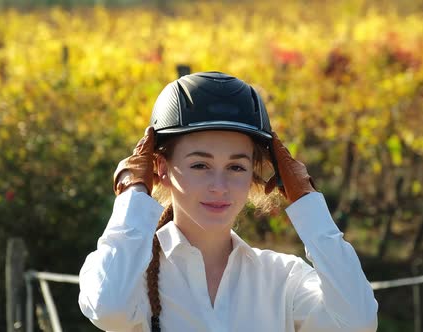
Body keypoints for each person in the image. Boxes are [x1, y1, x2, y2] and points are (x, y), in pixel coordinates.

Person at [78, 72, 378, 332]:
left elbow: (358, 322)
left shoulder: (282, 277)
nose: (219, 187)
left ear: (252, 176)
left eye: (236, 167)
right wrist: (134, 191)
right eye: (200, 166)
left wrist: (308, 201)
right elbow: (108, 308)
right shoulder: (127, 271)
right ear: (161, 169)